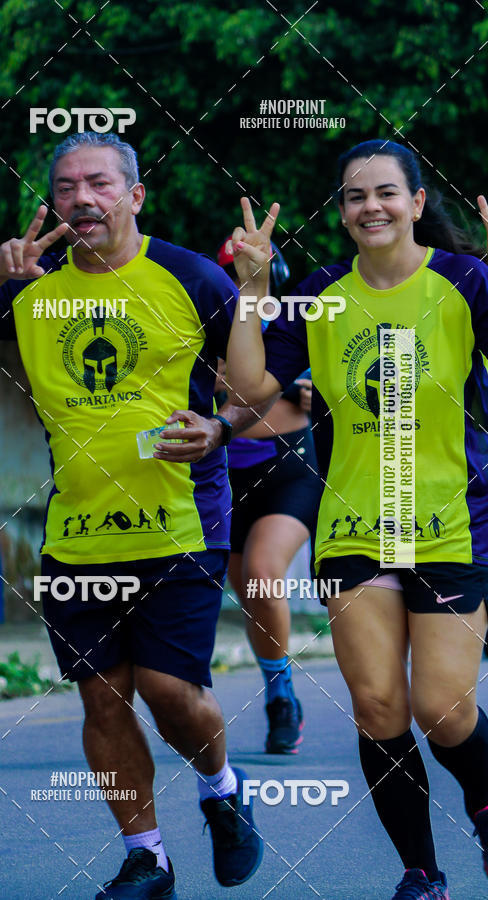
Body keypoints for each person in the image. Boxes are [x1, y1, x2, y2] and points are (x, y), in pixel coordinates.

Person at [0, 131, 266, 900]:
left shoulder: (194, 278)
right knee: (102, 696)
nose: (82, 199)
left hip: (180, 522)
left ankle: (223, 790)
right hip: (76, 535)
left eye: (100, 184)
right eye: (68, 187)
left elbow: (256, 390)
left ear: (134, 196)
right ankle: (148, 857)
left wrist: (220, 429)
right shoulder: (26, 283)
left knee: (172, 694)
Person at [226, 139, 488, 899]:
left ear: (414, 203)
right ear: (341, 211)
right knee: (378, 705)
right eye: (352, 196)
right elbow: (249, 390)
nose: (369, 206)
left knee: (443, 709)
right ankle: (421, 874)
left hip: (451, 523)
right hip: (353, 528)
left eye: (384, 193)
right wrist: (251, 289)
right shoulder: (321, 292)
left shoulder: (466, 280)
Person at [216, 238, 322, 754]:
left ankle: (281, 700)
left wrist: (314, 391)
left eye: (254, 272)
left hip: (289, 467)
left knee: (262, 570)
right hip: (223, 478)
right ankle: (278, 683)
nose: (245, 279)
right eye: (236, 272)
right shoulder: (197, 326)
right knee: (252, 596)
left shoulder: (295, 321)